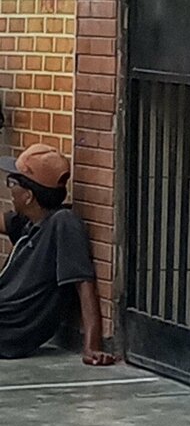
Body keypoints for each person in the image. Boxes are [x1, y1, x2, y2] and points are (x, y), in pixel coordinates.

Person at [0, 143, 115, 365]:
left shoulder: (63, 224)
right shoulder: (29, 221)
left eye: (12, 183)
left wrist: (92, 346)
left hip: (10, 327)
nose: (9, 190)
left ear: (28, 196)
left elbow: (84, 284)